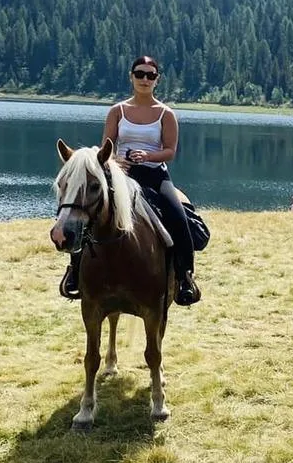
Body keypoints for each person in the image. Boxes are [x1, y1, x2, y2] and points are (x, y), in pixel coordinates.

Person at [62, 55, 200, 305]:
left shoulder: (166, 114)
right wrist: (115, 161)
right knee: (87, 214)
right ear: (131, 77)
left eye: (150, 75)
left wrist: (148, 155)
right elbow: (107, 145)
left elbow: (170, 150)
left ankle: (185, 277)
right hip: (121, 175)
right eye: (140, 74)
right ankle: (74, 273)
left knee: (178, 218)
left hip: (155, 176)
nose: (144, 79)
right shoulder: (118, 110)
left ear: (157, 80)